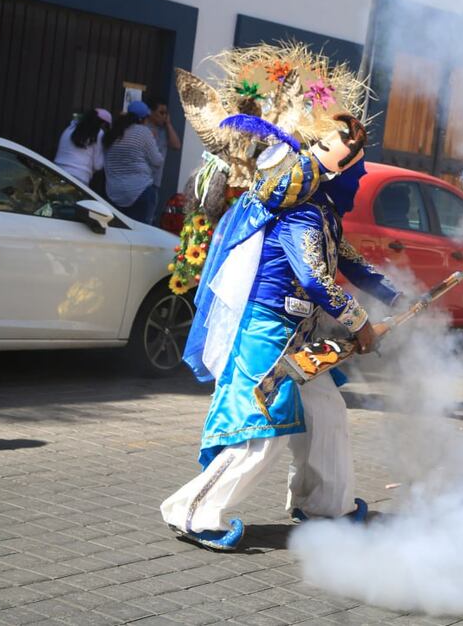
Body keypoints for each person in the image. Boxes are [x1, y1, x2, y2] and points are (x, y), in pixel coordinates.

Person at [160, 113, 400, 551]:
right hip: (267, 331)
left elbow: (346, 260)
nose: (361, 179)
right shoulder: (302, 213)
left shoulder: (323, 212)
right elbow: (313, 278)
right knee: (262, 430)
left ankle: (326, 507)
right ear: (338, 172)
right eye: (357, 170)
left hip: (301, 335)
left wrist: (395, 295)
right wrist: (360, 323)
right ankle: (192, 512)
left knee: (326, 414)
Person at [103, 101, 163, 223]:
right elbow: (157, 161)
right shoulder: (143, 132)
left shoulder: (114, 132)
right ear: (143, 119)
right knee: (141, 234)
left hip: (114, 192)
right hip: (140, 191)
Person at [53, 108, 111, 185]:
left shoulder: (70, 128)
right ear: (102, 124)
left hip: (57, 171)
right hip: (79, 177)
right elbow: (98, 165)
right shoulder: (98, 134)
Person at [145, 94, 181, 189]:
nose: (164, 116)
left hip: (155, 181)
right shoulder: (144, 128)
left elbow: (176, 145)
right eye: (161, 113)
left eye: (166, 113)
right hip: (142, 179)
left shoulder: (164, 130)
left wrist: (168, 124)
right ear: (151, 112)